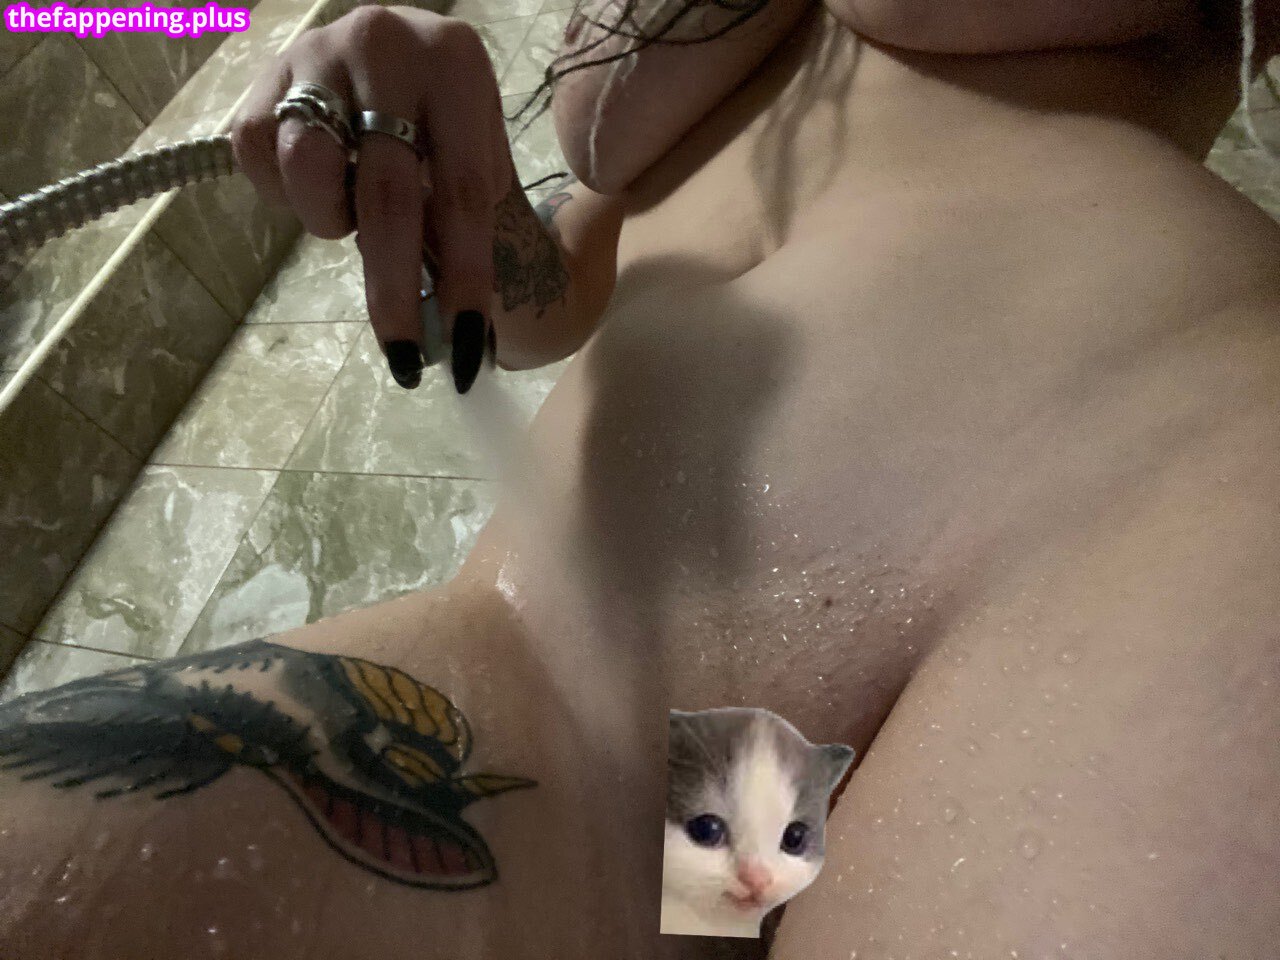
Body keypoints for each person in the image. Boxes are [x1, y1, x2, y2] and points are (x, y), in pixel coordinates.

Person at [2, 0, 1279, 957]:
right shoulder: (741, 75)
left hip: (1145, 517)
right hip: (537, 696)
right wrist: (454, 186)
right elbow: (546, 303)